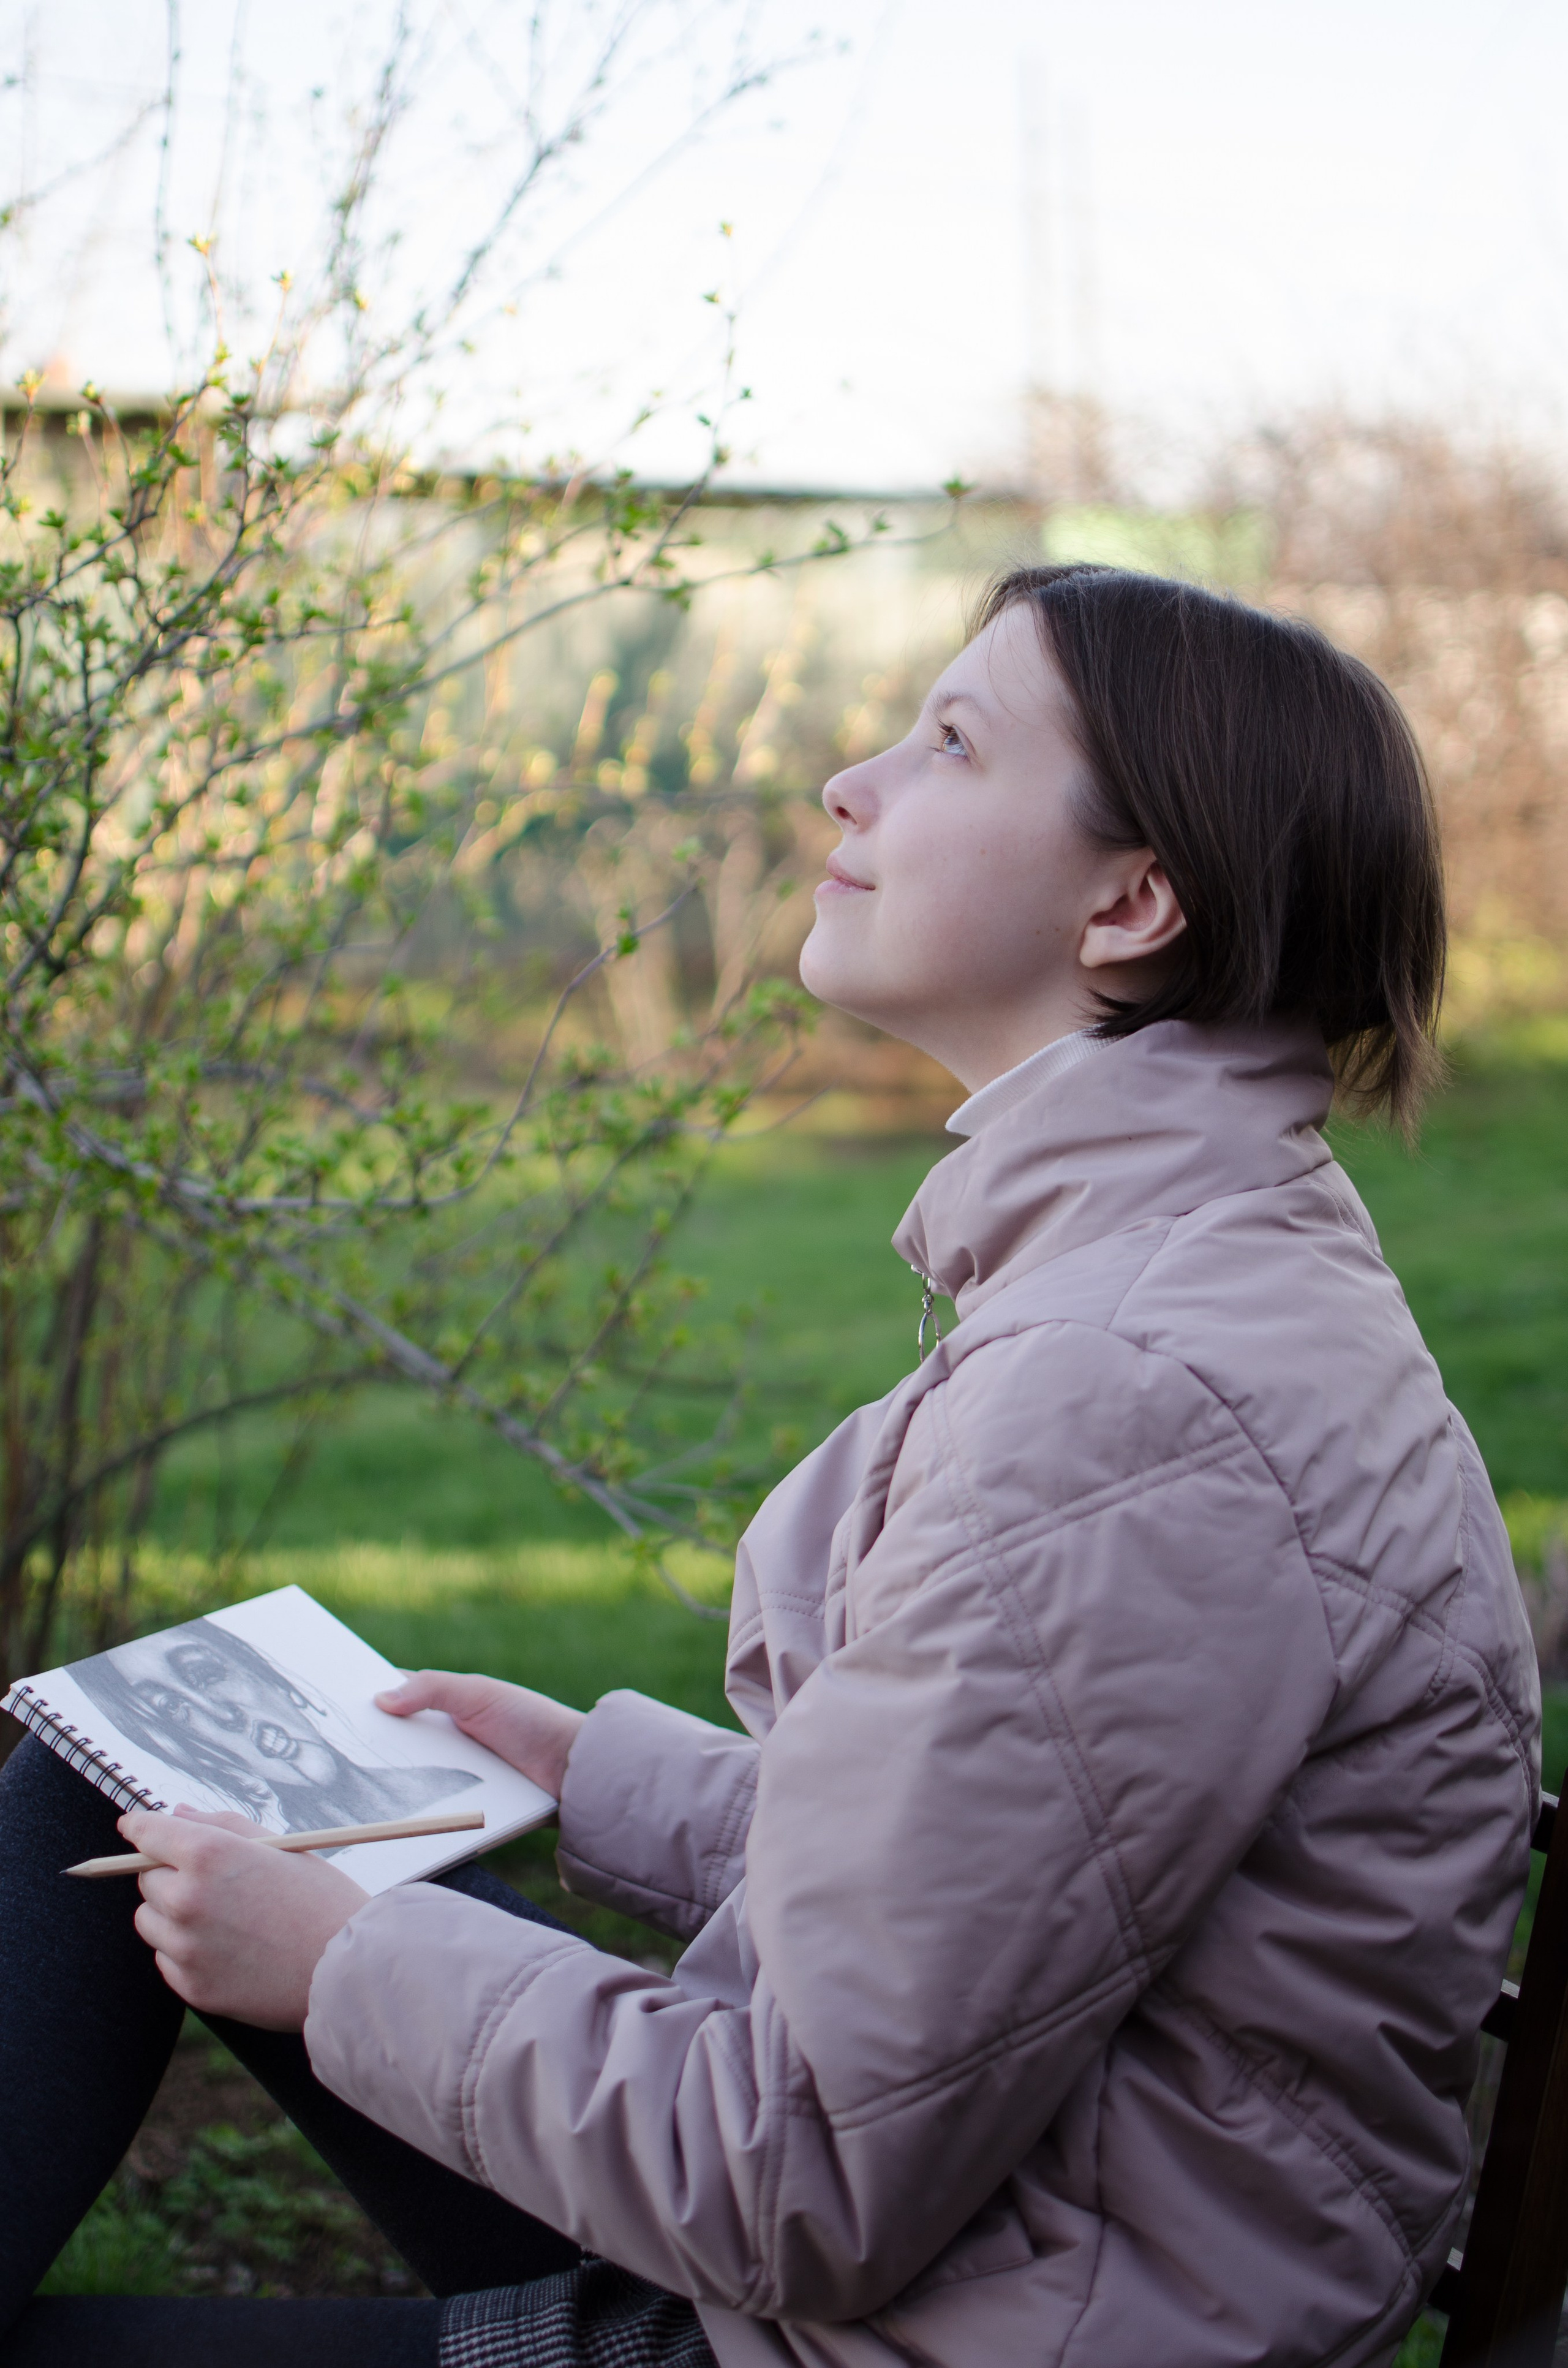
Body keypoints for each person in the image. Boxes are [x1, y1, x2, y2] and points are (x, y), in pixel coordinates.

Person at [0, 563, 1539, 2368]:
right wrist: (595, 1779)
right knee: (110, 1781)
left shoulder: (1128, 1401)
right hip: (983, 2244)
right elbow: (1036, 1878)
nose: (847, 783)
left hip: (936, 2326)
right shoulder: (1192, 1272)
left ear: (1128, 902)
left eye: (948, 742)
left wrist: (336, 1958)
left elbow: (795, 2175)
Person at [70, 1619, 481, 1832]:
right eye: (172, 1708)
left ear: (268, 1676)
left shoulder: (460, 1784)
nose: (222, 1715)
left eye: (205, 1672)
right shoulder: (281, 1872)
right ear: (188, 1747)